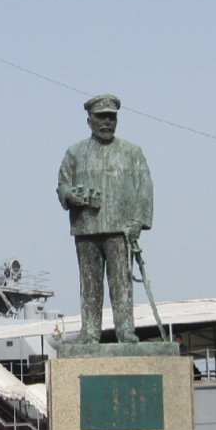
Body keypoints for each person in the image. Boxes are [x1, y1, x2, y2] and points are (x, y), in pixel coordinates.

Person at [57, 94, 154, 344]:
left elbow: (145, 188)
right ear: (89, 120)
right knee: (90, 285)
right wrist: (69, 195)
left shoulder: (131, 152)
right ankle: (90, 332)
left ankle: (125, 330)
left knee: (121, 283)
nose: (107, 122)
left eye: (111, 117)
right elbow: (62, 184)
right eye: (101, 118)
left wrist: (138, 221)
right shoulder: (75, 152)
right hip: (86, 228)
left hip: (120, 230)